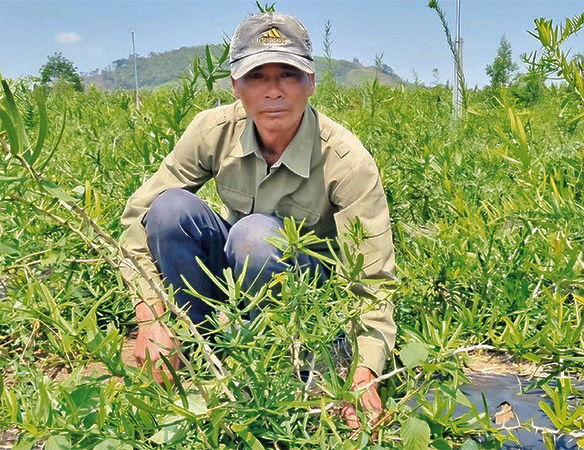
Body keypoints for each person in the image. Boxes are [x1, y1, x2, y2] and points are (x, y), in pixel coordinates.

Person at [119, 11, 396, 428]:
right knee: (170, 210)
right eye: (256, 76)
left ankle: (275, 364)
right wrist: (151, 317)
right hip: (233, 269)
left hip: (302, 292)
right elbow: (138, 218)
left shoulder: (346, 160)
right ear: (235, 85)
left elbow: (374, 279)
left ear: (311, 82)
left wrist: (364, 373)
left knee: (255, 237)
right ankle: (194, 344)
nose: (273, 91)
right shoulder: (213, 130)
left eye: (288, 74)